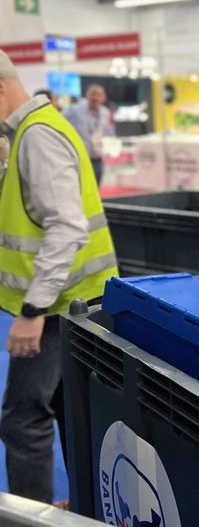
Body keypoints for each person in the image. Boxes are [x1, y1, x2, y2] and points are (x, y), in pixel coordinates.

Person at [0, 50, 118, 504]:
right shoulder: (31, 132)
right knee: (71, 409)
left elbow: (65, 227)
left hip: (55, 306)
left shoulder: (37, 136)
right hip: (77, 302)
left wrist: (31, 311)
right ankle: (84, 505)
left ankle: (32, 516)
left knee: (22, 418)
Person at [63, 84, 115, 185]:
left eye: (98, 95)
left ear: (103, 97)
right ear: (87, 96)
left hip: (97, 158)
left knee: (96, 190)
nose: (95, 98)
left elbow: (109, 132)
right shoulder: (75, 110)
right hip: (80, 159)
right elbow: (59, 120)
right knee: (81, 190)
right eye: (93, 94)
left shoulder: (105, 112)